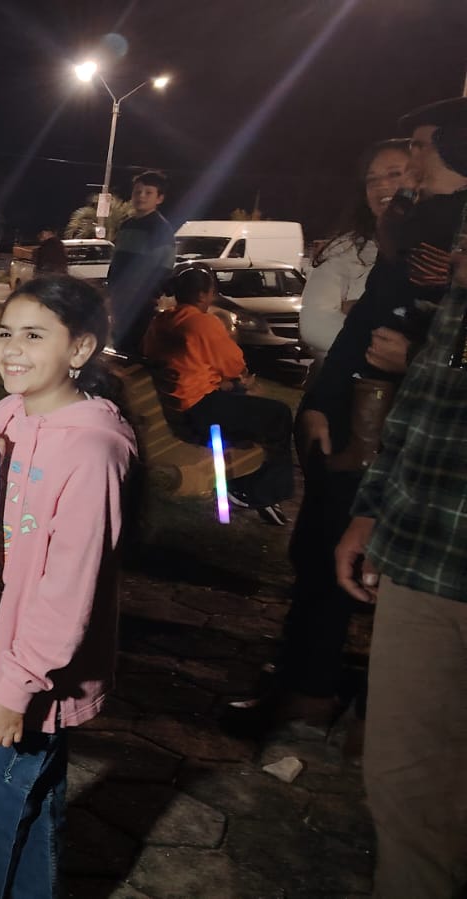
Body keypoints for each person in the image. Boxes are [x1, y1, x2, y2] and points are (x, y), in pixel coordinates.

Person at [0, 275, 137, 898]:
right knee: (28, 803)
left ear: (80, 350)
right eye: (6, 333)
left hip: (36, 674)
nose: (12, 350)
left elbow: (68, 586)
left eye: (35, 335)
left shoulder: (92, 450)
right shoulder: (7, 412)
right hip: (1, 650)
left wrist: (18, 685)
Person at [333, 94, 467, 899]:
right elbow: (423, 403)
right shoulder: (447, 289)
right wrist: (372, 504)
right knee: (404, 782)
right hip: (424, 555)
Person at [261, 139, 411, 737]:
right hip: (348, 421)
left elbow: (446, 336)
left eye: (400, 172)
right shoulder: (361, 249)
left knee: (393, 576)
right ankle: (307, 684)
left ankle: (375, 703)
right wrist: (322, 400)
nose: (386, 185)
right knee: (321, 552)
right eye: (375, 176)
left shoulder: (431, 253)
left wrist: (418, 353)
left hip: (416, 438)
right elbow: (326, 329)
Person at [142, 265, 294, 524]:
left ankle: (246, 484)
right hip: (199, 410)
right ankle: (259, 490)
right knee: (278, 414)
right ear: (203, 295)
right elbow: (234, 364)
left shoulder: (162, 320)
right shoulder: (202, 322)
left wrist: (226, 383)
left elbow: (169, 360)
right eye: (212, 292)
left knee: (251, 406)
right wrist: (237, 381)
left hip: (178, 406)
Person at [298, 140, 411, 360]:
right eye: (372, 179)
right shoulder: (346, 249)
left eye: (395, 174)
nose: (381, 185)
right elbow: (314, 325)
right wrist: (388, 348)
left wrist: (357, 311)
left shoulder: (448, 249)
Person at [107, 169, 175, 350]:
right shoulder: (126, 225)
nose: (141, 196)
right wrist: (112, 290)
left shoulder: (160, 229)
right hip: (120, 299)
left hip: (141, 303)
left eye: (148, 192)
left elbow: (164, 268)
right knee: (118, 344)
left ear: (159, 198)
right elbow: (117, 261)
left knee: (135, 347)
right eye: (137, 192)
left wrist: (148, 296)